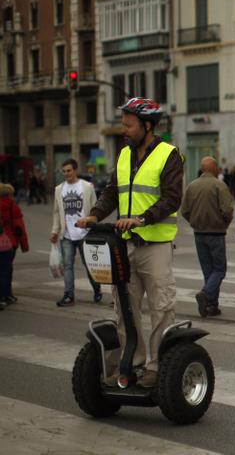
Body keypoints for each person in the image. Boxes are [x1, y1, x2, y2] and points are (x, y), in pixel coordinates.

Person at [76, 97, 183, 388]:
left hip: (156, 245)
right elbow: (112, 191)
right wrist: (95, 215)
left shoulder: (168, 154)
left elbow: (172, 198)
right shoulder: (124, 154)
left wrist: (143, 219)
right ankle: (133, 363)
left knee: (161, 308)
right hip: (124, 245)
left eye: (128, 124)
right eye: (123, 123)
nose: (123, 129)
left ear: (147, 125)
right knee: (125, 308)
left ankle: (157, 366)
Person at [182, 156, 233, 318]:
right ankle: (205, 294)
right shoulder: (219, 185)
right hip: (216, 233)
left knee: (208, 271)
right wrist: (224, 223)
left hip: (199, 233)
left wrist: (194, 222)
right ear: (214, 168)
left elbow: (184, 211)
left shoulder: (192, 186)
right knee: (219, 270)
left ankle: (212, 305)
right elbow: (227, 210)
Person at [50, 158, 102, 307]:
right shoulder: (59, 189)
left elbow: (95, 209)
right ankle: (68, 295)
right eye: (64, 171)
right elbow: (56, 212)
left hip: (85, 233)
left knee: (89, 265)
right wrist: (55, 231)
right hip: (66, 234)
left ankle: (97, 288)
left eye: (69, 170)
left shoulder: (87, 187)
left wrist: (93, 227)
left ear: (75, 170)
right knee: (67, 265)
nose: (66, 174)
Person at [0, 183, 28, 310]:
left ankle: (6, 296)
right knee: (6, 270)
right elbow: (19, 228)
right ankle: (4, 296)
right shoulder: (13, 207)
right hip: (9, 243)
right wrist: (24, 245)